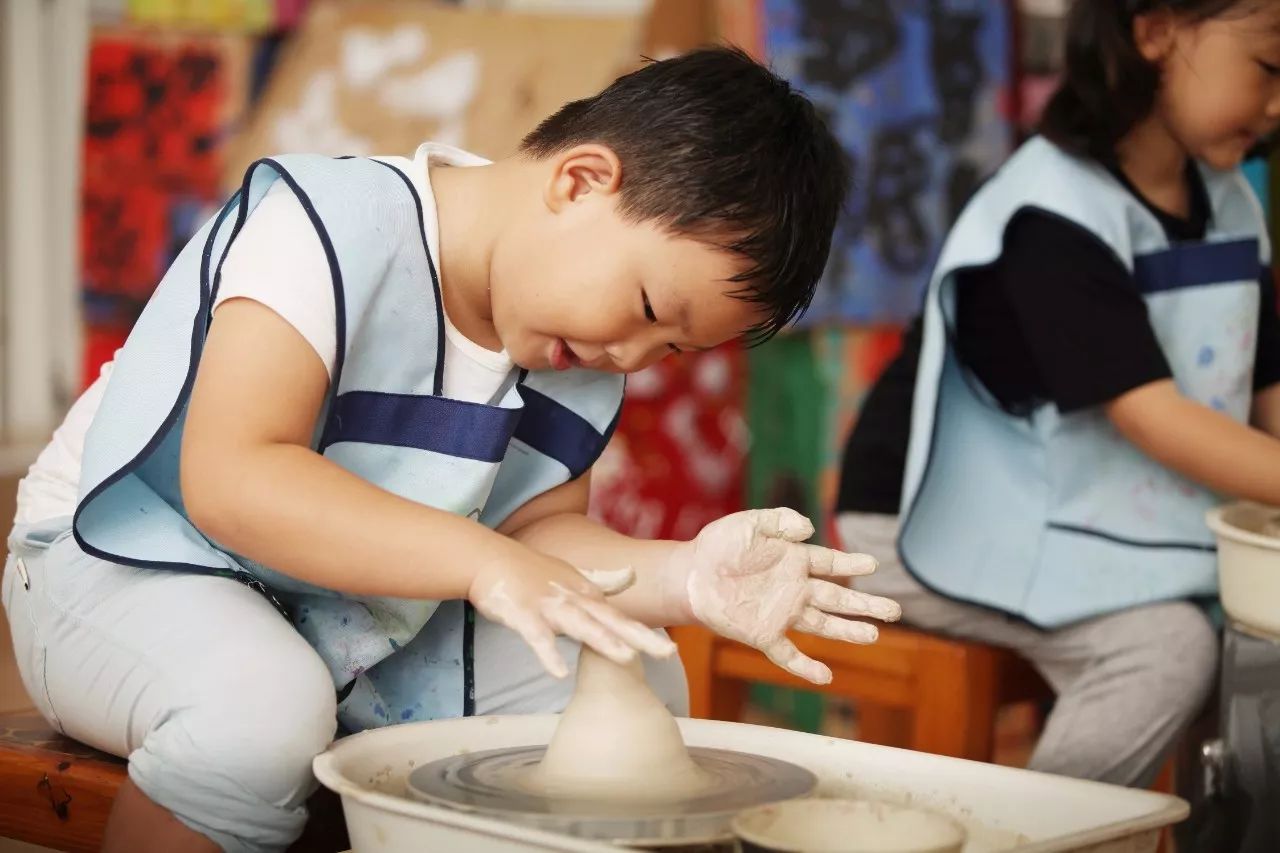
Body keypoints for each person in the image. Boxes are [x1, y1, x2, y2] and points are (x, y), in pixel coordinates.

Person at [4, 48, 901, 853]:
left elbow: (537, 539)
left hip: (336, 609)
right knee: (262, 710)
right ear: (582, 181)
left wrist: (686, 577)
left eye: (672, 349)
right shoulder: (331, 223)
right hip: (118, 564)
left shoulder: (578, 348)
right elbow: (234, 480)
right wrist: (479, 562)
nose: (634, 357)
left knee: (634, 691)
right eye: (649, 309)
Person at [837, 0, 1280, 788]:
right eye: (1269, 70)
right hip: (923, 523)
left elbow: (1266, 387)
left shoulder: (1232, 205)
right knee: (1171, 645)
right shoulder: (1050, 210)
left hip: (1082, 518)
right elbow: (1152, 415)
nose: (1279, 105)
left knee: (1251, 627)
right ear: (1156, 32)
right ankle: (1038, 835)